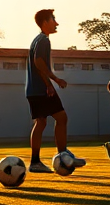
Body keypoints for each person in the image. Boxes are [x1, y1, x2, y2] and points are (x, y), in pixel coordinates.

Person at [26, 9, 85, 173]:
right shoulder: (43, 40)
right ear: (45, 22)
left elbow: (38, 63)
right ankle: (63, 154)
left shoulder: (38, 39)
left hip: (33, 89)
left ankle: (36, 161)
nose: (56, 23)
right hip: (41, 89)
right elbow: (38, 62)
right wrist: (52, 82)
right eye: (53, 19)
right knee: (61, 117)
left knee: (41, 122)